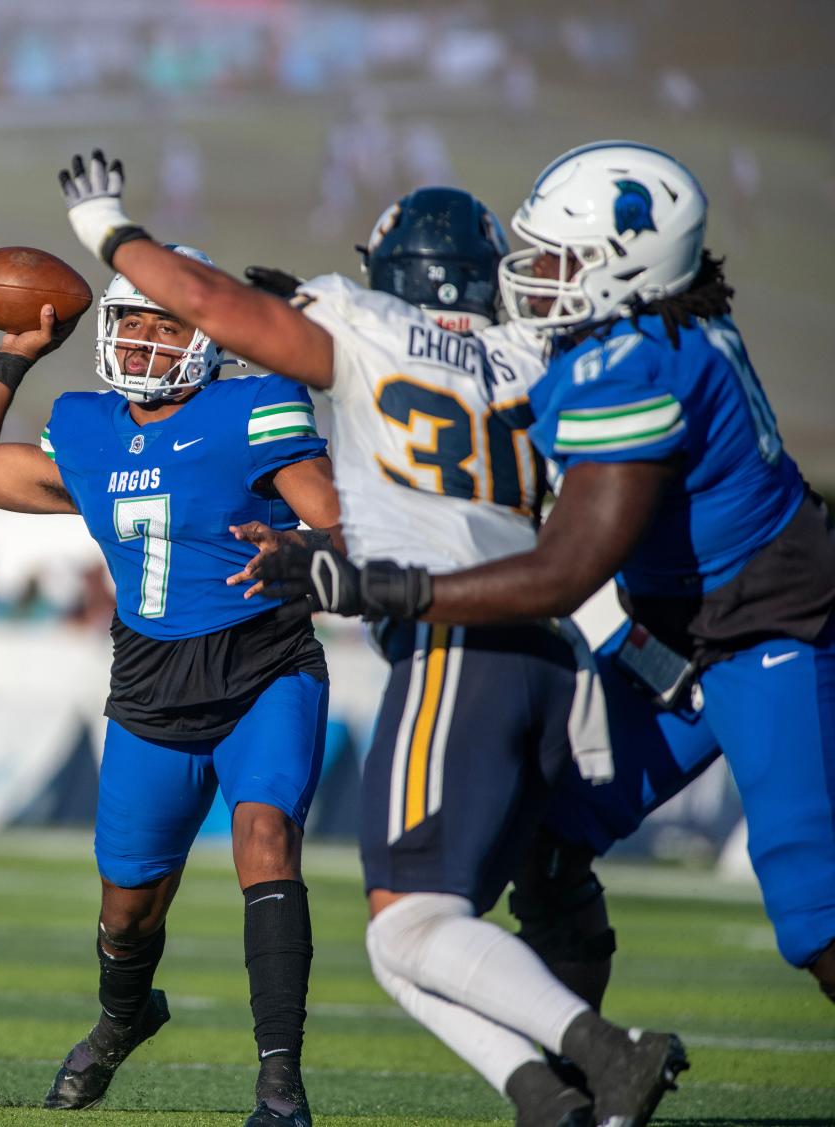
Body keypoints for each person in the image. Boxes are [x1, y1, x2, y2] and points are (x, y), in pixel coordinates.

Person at [55, 152, 689, 1127]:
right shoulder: (542, 352)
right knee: (555, 879)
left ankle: (602, 1057)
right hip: (568, 648)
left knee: (409, 926)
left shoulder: (366, 324)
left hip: (457, 641)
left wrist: (105, 223)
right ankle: (558, 1103)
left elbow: (217, 304)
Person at [254, 141, 835, 1012]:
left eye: (561, 260)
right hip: (680, 633)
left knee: (818, 917)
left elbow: (564, 568)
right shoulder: (642, 333)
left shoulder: (641, 362)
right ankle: (591, 1077)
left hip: (769, 637)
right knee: (550, 839)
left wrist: (386, 587)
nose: (534, 276)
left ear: (629, 264)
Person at [0, 245, 342, 1127]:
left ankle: (280, 1086)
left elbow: (338, 514)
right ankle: (121, 1021)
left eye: (170, 324)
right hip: (151, 684)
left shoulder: (253, 404)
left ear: (209, 335)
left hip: (263, 661)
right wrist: (17, 349)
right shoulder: (83, 426)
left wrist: (313, 551)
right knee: (126, 913)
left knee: (264, 838)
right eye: (135, 323)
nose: (148, 342)